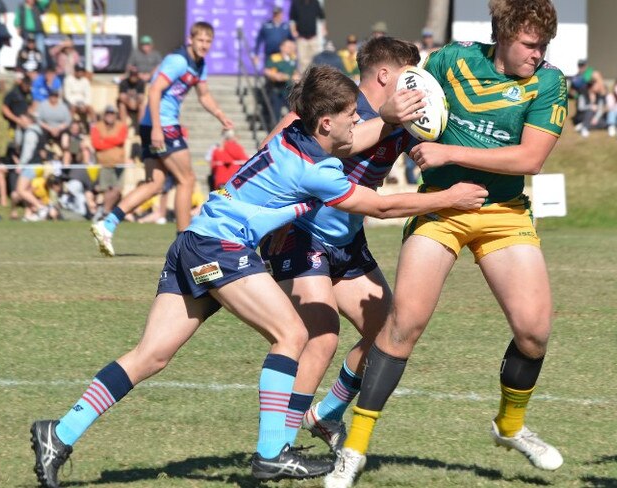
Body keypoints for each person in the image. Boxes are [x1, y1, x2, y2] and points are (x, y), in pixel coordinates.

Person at [29, 63, 485, 487]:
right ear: (326, 123)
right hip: (219, 250)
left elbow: (355, 141)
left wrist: (385, 117)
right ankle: (272, 452)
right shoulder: (317, 169)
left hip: (195, 241)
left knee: (151, 356)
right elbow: (381, 206)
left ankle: (59, 432)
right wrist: (450, 199)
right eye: (350, 116)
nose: (356, 122)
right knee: (290, 333)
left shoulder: (290, 135)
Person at [326, 1, 569, 486]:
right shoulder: (450, 61)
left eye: (544, 45)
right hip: (439, 207)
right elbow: (398, 98)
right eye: (530, 44)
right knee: (403, 326)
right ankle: (353, 451)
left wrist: (446, 151)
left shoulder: (548, 82)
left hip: (503, 214)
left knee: (534, 332)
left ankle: (510, 426)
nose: (538, 54)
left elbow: (531, 157)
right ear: (502, 36)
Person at [259, 35, 489, 456]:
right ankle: (279, 449)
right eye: (409, 75)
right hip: (299, 235)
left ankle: (326, 414)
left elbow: (443, 130)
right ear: (385, 75)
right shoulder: (333, 106)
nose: (417, 84)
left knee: (388, 331)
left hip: (347, 240)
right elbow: (270, 149)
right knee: (322, 336)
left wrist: (469, 55)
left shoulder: (407, 121)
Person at [90, 21, 233, 257]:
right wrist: (157, 128)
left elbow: (204, 95)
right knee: (186, 179)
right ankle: (184, 244)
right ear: (191, 39)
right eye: (200, 40)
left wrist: (220, 115)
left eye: (208, 41)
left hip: (154, 125)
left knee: (154, 184)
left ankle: (107, 225)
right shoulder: (178, 61)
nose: (204, 45)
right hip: (162, 125)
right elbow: (154, 90)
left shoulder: (199, 65)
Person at [90, 105, 128, 222]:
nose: (110, 116)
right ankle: (106, 213)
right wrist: (113, 141)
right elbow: (96, 144)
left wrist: (105, 140)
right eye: (107, 113)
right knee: (106, 190)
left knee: (117, 190)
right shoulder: (97, 127)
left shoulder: (122, 126)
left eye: (112, 113)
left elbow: (120, 140)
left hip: (119, 163)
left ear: (116, 115)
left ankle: (105, 211)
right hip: (104, 163)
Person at [264, 38, 299, 130]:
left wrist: (296, 77)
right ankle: (272, 132)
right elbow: (267, 71)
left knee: (293, 112)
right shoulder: (275, 58)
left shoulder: (293, 58)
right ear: (281, 47)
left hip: (289, 91)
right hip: (277, 90)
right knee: (275, 112)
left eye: (291, 47)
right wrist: (276, 75)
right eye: (288, 46)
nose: (290, 48)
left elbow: (295, 72)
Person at [289, 0, 326, 73]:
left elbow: (322, 17)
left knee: (316, 60)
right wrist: (293, 30)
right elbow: (292, 19)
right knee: (303, 62)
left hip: (313, 38)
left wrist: (324, 29)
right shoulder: (296, 3)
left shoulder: (315, 2)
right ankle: (304, 82)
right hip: (301, 38)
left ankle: (316, 81)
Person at [14, 0, 50, 68]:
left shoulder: (38, 6)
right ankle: (22, 67)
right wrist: (18, 27)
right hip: (26, 32)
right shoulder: (21, 6)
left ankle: (42, 67)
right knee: (24, 50)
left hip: (38, 31)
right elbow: (17, 18)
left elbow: (46, 2)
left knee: (40, 49)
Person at [63, 63, 94, 130]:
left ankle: (94, 129)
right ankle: (68, 128)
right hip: (72, 103)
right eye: (79, 71)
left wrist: (85, 104)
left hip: (83, 103)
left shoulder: (85, 81)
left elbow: (88, 95)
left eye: (82, 71)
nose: (81, 73)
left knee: (91, 109)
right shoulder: (68, 79)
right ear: (75, 71)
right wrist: (77, 104)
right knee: (72, 109)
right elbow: (67, 95)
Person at [117, 65, 146, 132]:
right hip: (126, 104)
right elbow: (121, 97)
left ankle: (140, 128)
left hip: (136, 104)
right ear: (129, 75)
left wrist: (135, 104)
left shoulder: (141, 82)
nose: (133, 77)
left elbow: (141, 97)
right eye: (132, 75)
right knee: (121, 105)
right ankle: (123, 129)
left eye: (135, 75)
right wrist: (130, 103)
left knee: (142, 106)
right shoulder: (124, 82)